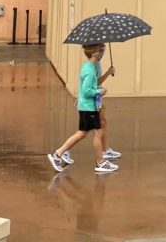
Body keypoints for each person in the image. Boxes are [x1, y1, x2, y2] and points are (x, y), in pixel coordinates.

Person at [48, 44, 121, 173]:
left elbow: (90, 85)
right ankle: (100, 162)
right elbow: (87, 91)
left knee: (83, 133)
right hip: (88, 106)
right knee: (95, 133)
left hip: (89, 106)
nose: (102, 53)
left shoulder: (91, 67)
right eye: (100, 51)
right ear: (94, 54)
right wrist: (100, 91)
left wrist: (108, 74)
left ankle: (60, 153)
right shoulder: (89, 69)